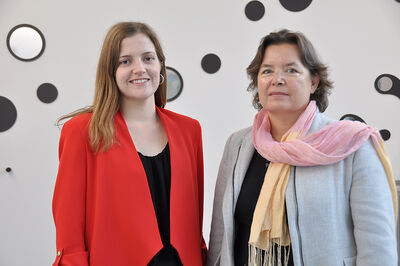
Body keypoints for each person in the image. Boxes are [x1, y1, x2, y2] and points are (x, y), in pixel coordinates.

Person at [207, 29, 398, 266]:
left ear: (314, 82)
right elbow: (220, 238)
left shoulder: (353, 145)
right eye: (267, 71)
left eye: (291, 70)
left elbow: (378, 248)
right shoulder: (238, 145)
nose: (277, 79)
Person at [52, 22, 206, 266]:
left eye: (148, 58)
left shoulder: (189, 130)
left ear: (160, 66)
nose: (140, 68)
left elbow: (194, 219)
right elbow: (68, 227)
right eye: (125, 61)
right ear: (110, 71)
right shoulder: (81, 131)